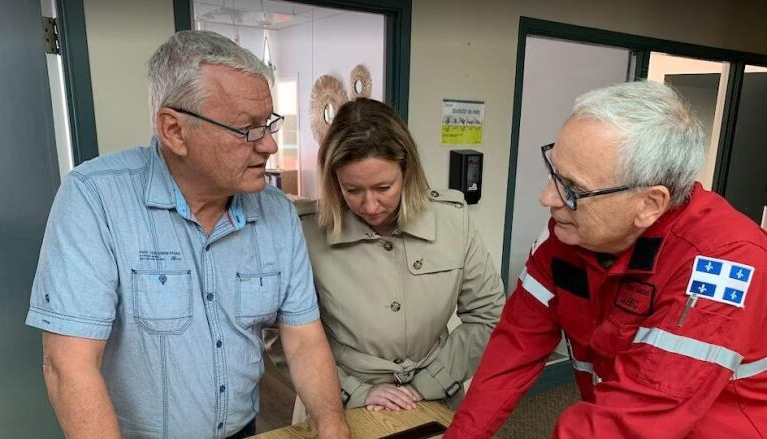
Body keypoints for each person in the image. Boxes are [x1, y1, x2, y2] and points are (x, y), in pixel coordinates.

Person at [25, 30, 349, 439]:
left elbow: (302, 339)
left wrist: (332, 423)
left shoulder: (278, 214)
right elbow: (68, 365)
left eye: (267, 123)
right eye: (247, 128)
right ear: (174, 130)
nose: (268, 144)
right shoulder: (95, 199)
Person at [445, 81, 767, 438]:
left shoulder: (725, 264)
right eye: (554, 174)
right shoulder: (569, 232)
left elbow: (638, 414)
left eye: (573, 188)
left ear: (649, 204)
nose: (547, 197)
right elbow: (515, 347)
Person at [299, 97, 505, 412]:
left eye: (383, 188)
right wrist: (353, 390)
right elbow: (287, 337)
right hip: (338, 401)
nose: (370, 206)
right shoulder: (305, 233)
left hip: (435, 395)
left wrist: (429, 383)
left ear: (406, 172)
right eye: (352, 190)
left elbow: (488, 315)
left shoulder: (452, 220)